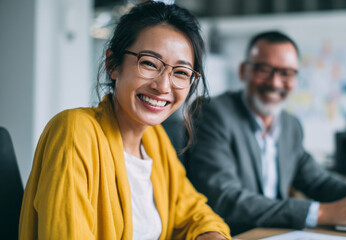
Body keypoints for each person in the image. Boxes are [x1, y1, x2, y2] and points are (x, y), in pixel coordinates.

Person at [19, 2, 230, 240]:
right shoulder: (75, 131)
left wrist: (212, 236)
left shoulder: (154, 140)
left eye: (181, 72)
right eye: (149, 63)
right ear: (113, 64)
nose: (162, 86)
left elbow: (195, 212)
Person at [185, 30, 346, 235]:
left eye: (286, 73)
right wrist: (319, 212)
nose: (276, 82)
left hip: (275, 232)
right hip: (231, 235)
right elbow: (224, 199)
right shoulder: (212, 114)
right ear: (243, 71)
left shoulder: (290, 125)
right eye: (264, 69)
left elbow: (318, 181)